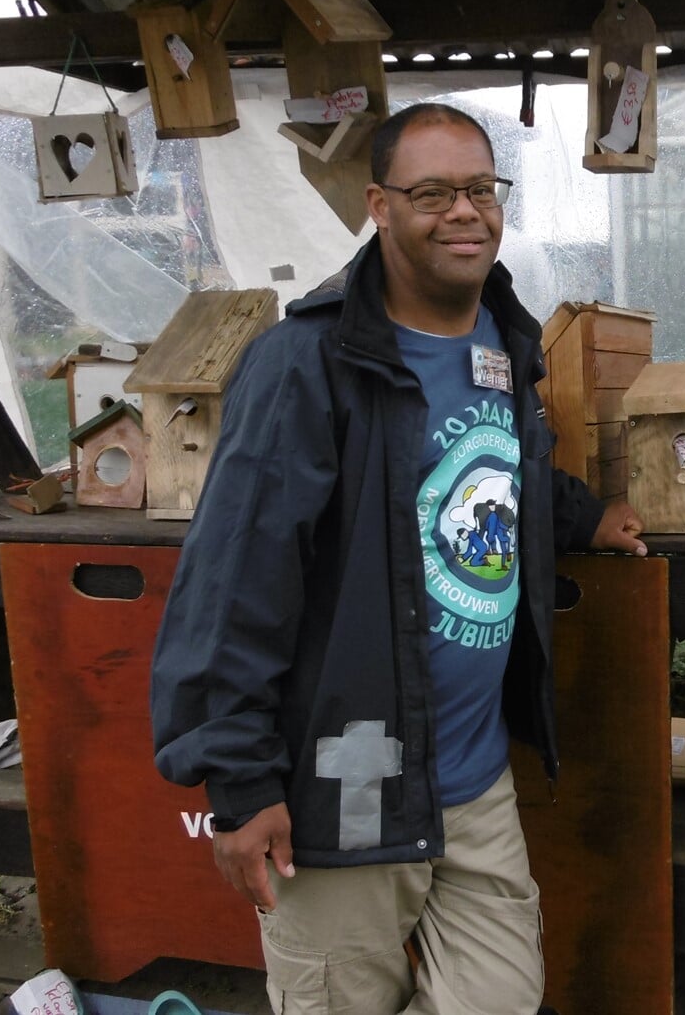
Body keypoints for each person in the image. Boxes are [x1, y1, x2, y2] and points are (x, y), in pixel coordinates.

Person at [151, 102, 648, 1015]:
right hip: (346, 789)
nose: (465, 212)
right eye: (432, 193)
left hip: (471, 777)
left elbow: (500, 468)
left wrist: (584, 517)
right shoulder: (306, 364)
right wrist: (242, 783)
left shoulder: (505, 340)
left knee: (498, 999)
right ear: (379, 206)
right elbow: (233, 583)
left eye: (480, 189)